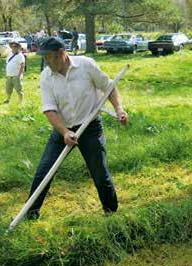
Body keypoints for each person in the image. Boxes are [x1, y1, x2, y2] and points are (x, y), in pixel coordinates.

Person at [26, 37, 129, 220]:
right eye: (44, 59)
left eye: (49, 58)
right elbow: (49, 109)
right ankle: (31, 215)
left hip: (90, 127)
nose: (46, 63)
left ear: (61, 54)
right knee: (44, 171)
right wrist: (65, 132)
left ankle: (111, 214)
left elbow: (109, 87)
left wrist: (119, 109)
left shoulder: (86, 65)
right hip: (62, 130)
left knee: (100, 172)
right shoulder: (46, 76)